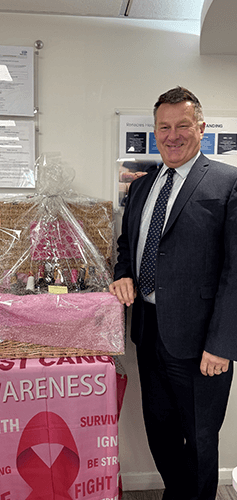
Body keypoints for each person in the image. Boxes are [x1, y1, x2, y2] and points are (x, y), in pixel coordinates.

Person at [109, 86, 237, 500]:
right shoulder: (143, 187)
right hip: (148, 335)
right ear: (155, 131)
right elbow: (128, 246)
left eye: (183, 125)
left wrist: (222, 345)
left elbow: (236, 272)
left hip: (202, 347)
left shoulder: (227, 182)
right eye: (164, 127)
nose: (173, 134)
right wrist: (123, 274)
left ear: (201, 128)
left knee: (200, 440)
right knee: (160, 431)